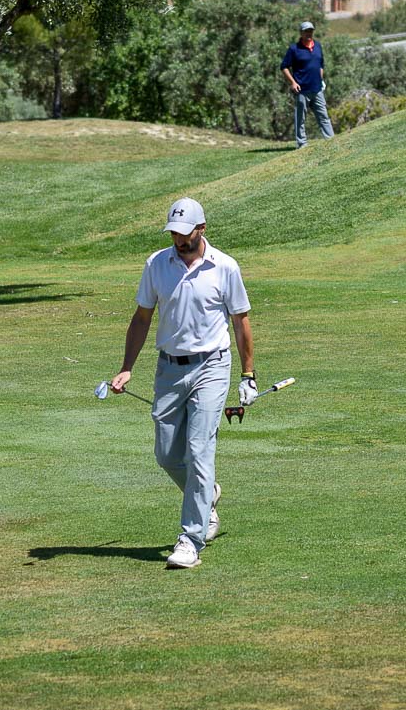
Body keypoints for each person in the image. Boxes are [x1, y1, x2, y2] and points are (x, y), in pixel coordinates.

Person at [110, 197, 257, 569]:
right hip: (169, 368)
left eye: (184, 233)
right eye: (173, 233)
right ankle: (206, 493)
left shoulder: (225, 267)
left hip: (212, 366)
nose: (178, 240)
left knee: (199, 449)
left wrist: (248, 374)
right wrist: (127, 367)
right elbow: (142, 317)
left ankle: (190, 539)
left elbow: (240, 322)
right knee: (166, 454)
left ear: (201, 229)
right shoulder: (157, 264)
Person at [280, 20, 335, 149]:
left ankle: (331, 140)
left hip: (317, 89)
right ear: (301, 33)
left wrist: (320, 79)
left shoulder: (318, 46)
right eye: (306, 31)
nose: (309, 33)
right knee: (300, 118)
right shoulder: (294, 49)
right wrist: (293, 82)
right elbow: (284, 67)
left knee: (324, 116)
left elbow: (321, 64)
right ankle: (302, 143)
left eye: (310, 31)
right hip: (302, 89)